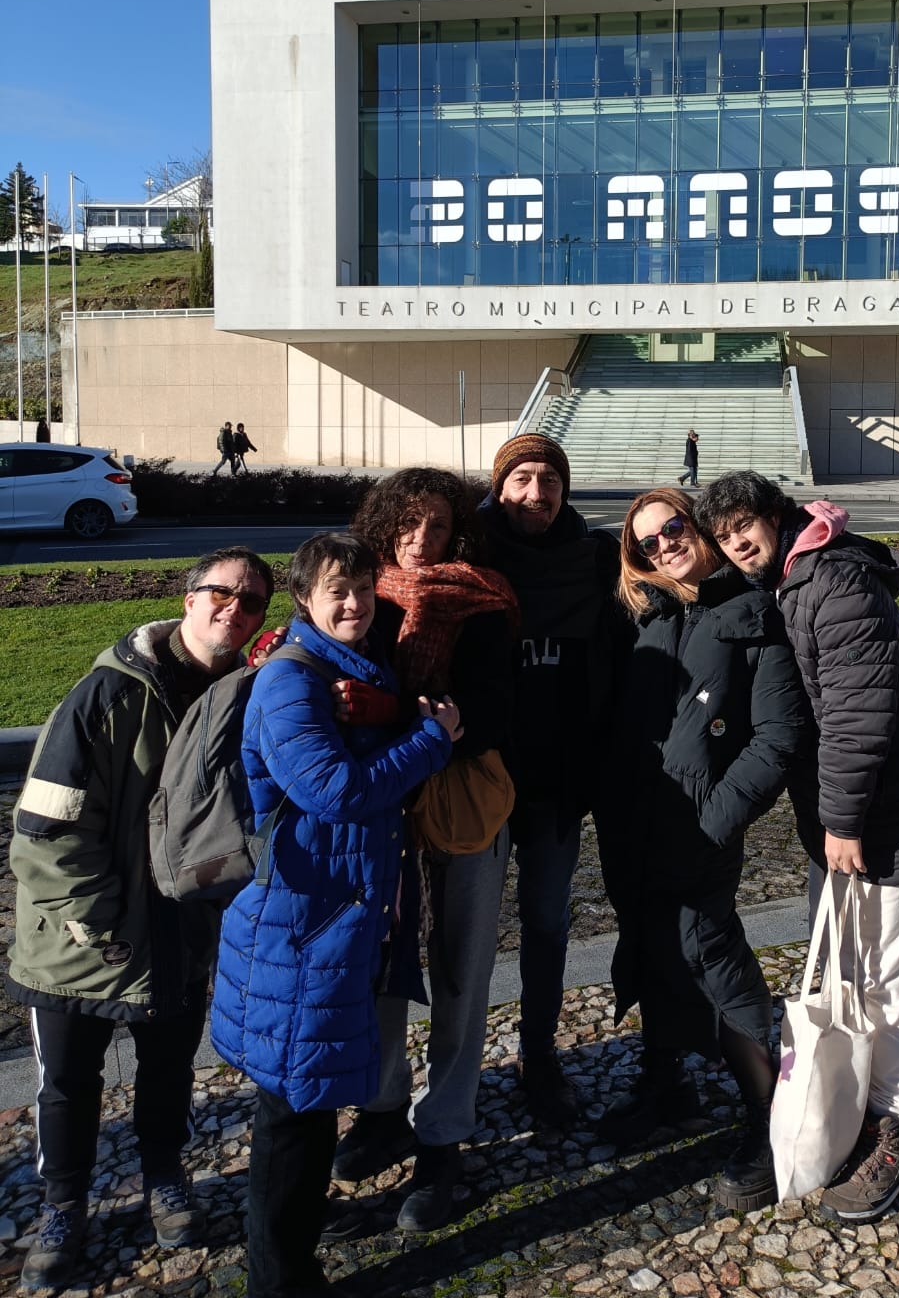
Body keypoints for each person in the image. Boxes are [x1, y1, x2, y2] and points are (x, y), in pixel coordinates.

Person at [8, 546, 274, 1291]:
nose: (234, 608)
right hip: (79, 935)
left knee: (166, 1069)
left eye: (252, 601)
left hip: (179, 926)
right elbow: (47, 826)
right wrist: (91, 922)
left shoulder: (249, 695)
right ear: (188, 598)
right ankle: (64, 1205)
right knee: (67, 1081)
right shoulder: (106, 695)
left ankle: (165, 1177)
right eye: (221, 592)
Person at [696, 470, 899, 1224]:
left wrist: (841, 823)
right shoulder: (793, 579)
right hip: (848, 824)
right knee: (853, 973)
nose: (737, 540)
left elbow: (859, 719)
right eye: (724, 533)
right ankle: (856, 1111)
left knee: (895, 981)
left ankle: (895, 1133)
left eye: (746, 523)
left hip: (887, 825)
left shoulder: (833, 584)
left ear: (777, 516)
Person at [209, 532, 460, 1298]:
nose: (353, 603)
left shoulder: (349, 667)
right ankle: (278, 1279)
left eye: (361, 587)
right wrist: (431, 739)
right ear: (305, 602)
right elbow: (338, 794)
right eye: (336, 592)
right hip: (298, 924)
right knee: (291, 1107)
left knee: (309, 1099)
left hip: (329, 920)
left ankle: (291, 1252)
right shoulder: (290, 681)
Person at [594, 487, 809, 1213]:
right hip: (636, 825)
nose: (664, 546)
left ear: (701, 526)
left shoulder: (752, 614)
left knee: (710, 953)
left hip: (698, 829)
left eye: (673, 528)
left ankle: (771, 1119)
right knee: (651, 946)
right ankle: (667, 1088)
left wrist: (714, 821)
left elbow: (777, 736)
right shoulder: (652, 617)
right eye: (647, 543)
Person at [328, 468, 519, 1232]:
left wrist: (397, 716)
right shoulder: (355, 594)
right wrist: (418, 718)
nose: (421, 537)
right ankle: (379, 1109)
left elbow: (500, 707)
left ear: (457, 531)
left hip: (465, 803)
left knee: (460, 973)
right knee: (378, 965)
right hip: (378, 809)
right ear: (381, 525)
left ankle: (443, 1134)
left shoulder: (487, 595)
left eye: (437, 523)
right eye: (407, 521)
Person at [476, 433, 625, 1126]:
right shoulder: (469, 555)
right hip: (476, 778)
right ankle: (454, 1067)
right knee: (465, 933)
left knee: (544, 924)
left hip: (558, 781)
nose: (536, 494)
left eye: (548, 480)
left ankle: (539, 1055)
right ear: (500, 485)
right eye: (522, 479)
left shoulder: (593, 560)